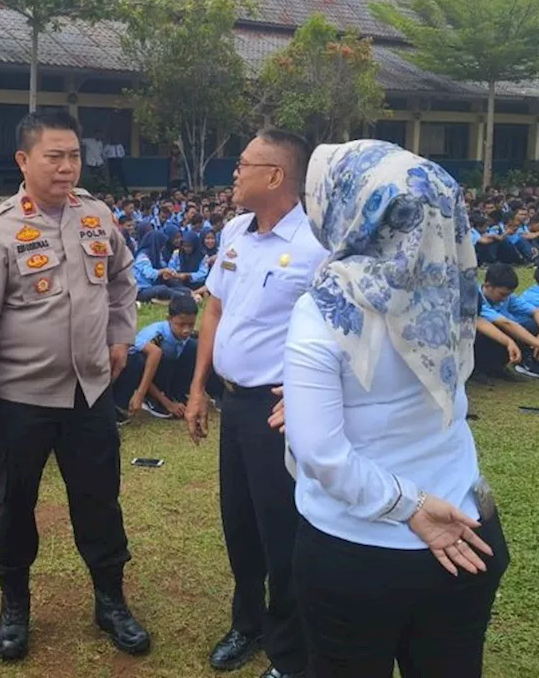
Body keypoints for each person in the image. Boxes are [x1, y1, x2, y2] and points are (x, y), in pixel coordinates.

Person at [281, 141, 507, 677]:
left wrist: (410, 506)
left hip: (360, 548)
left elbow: (321, 453)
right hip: (468, 531)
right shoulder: (451, 293)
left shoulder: (323, 309)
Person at [0, 110, 147, 662]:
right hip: (22, 400)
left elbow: (122, 277)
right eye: (54, 157)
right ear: (24, 160)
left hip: (89, 394)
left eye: (74, 157)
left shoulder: (95, 215)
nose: (67, 168)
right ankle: (14, 606)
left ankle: (110, 601)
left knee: (99, 503)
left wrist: (119, 335)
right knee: (14, 507)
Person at [184, 129, 328, 678]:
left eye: (244, 164)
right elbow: (214, 311)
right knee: (239, 520)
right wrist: (199, 388)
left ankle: (289, 653)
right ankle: (248, 623)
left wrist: (309, 388)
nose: (235, 173)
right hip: (234, 404)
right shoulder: (235, 233)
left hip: (279, 410)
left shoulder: (318, 244)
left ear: (275, 176)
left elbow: (344, 327)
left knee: (282, 529)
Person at [110, 293, 198, 423]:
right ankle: (149, 400)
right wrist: (165, 403)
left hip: (160, 369)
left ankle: (176, 393)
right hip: (135, 372)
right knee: (143, 359)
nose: (186, 330)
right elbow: (144, 371)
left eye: (191, 325)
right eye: (181, 324)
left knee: (194, 346)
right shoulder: (155, 336)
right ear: (169, 319)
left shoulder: (184, 334)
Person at [478, 264, 539, 378]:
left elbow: (538, 312)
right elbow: (506, 323)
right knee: (504, 330)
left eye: (508, 295)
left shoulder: (508, 297)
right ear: (488, 286)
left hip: (508, 330)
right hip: (483, 337)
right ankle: (484, 369)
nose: (504, 298)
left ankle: (531, 360)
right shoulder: (476, 299)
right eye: (502, 294)